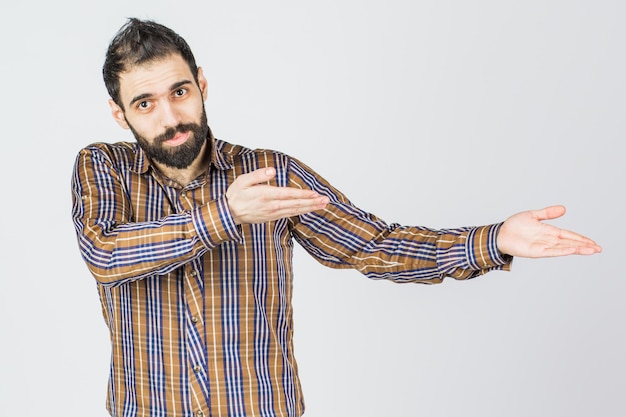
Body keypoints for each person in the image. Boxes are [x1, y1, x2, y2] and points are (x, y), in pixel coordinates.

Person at [70, 18, 601, 417]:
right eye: (145, 103)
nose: (170, 117)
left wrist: (494, 240)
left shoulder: (270, 173)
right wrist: (227, 213)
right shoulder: (104, 167)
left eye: (179, 92)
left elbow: (373, 244)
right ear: (120, 113)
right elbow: (104, 253)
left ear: (202, 84)